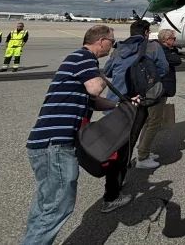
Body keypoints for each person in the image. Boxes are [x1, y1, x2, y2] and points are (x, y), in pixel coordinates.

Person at [21, 25, 141, 245]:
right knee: (58, 206)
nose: (113, 46)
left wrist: (120, 105)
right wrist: (117, 67)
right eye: (112, 42)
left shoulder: (79, 61)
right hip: (55, 144)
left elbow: (92, 100)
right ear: (101, 41)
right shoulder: (83, 57)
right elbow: (95, 88)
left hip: (47, 143)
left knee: (46, 206)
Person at [103, 19, 169, 174]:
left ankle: (117, 172)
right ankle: (119, 178)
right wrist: (147, 80)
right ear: (146, 33)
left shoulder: (119, 48)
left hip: (115, 100)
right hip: (138, 99)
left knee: (116, 140)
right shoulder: (153, 46)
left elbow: (107, 71)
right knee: (130, 138)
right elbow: (163, 69)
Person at [156, 29, 181, 98]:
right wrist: (173, 51)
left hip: (159, 87)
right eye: (174, 38)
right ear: (167, 40)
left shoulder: (156, 47)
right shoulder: (165, 51)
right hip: (162, 87)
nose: (174, 40)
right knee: (158, 107)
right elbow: (177, 61)